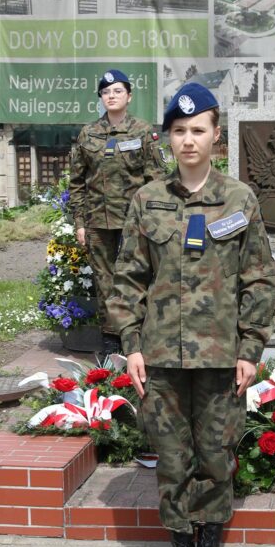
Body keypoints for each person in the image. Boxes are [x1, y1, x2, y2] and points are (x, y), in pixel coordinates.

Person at [108, 83, 275, 547]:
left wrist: (250, 349)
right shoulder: (147, 200)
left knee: (215, 454)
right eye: (179, 131)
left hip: (221, 357)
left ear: (215, 135)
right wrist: (132, 345)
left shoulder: (239, 199)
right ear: (168, 137)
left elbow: (258, 279)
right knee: (172, 457)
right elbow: (129, 278)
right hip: (160, 356)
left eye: (198, 130)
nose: (188, 139)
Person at [69, 69, 165, 355]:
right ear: (101, 97)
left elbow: (156, 180)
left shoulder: (143, 131)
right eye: (106, 92)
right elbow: (77, 182)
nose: (111, 96)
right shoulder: (88, 133)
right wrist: (80, 223)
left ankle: (139, 339)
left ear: (129, 96)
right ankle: (112, 342)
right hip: (97, 222)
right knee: (105, 280)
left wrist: (153, 220)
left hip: (135, 223)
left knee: (137, 276)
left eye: (117, 91)